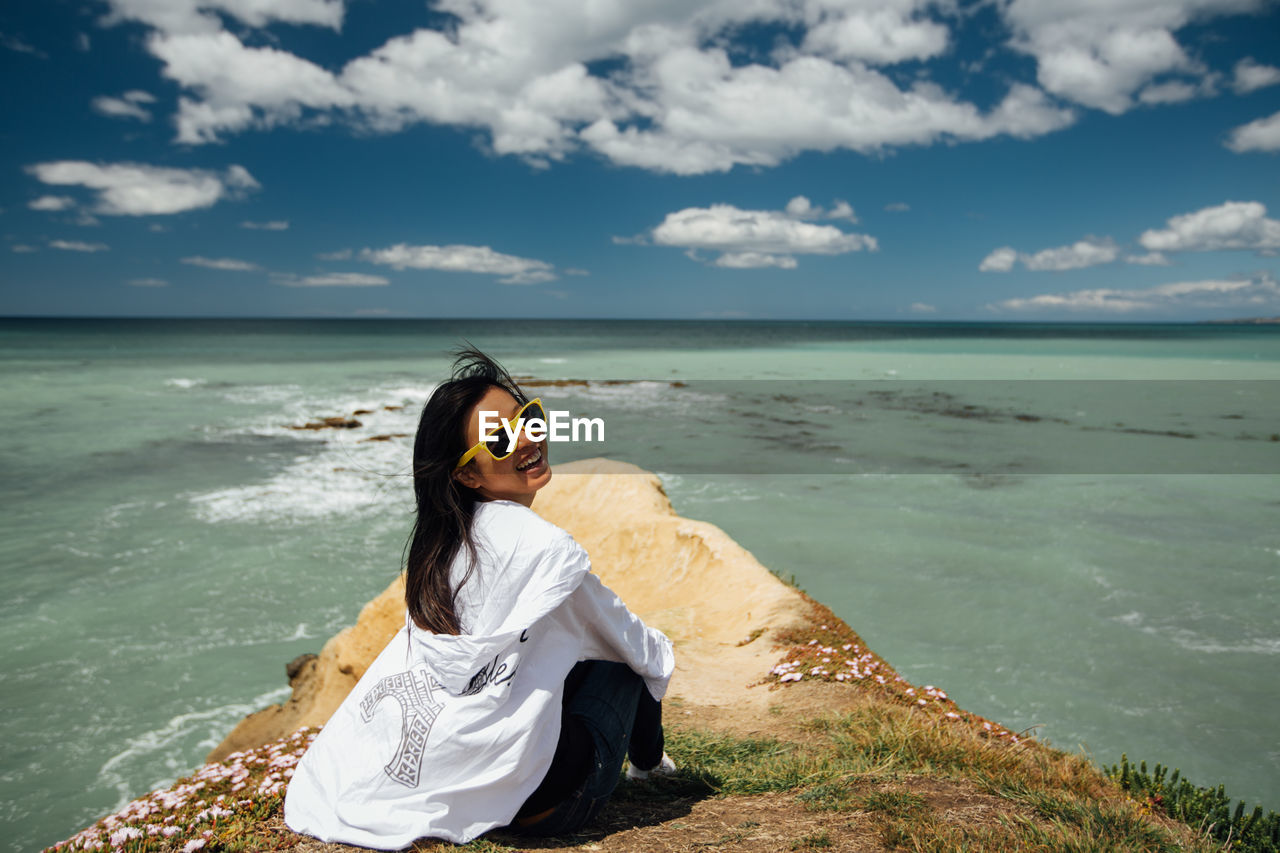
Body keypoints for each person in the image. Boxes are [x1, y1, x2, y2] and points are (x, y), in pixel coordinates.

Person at [283, 348, 676, 849]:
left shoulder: (441, 552)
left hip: (477, 786)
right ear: (467, 475)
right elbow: (644, 650)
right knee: (626, 657)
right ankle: (651, 768)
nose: (527, 440)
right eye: (499, 438)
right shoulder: (543, 549)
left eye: (527, 420)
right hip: (553, 806)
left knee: (568, 650)